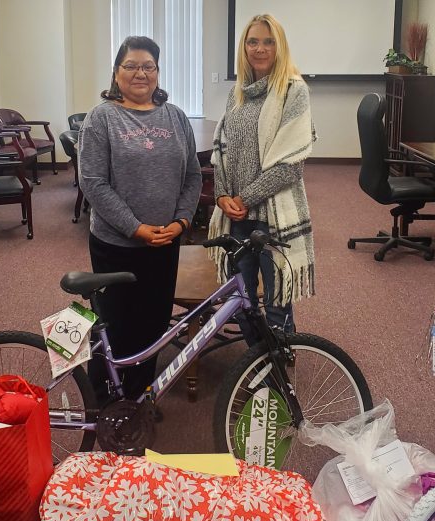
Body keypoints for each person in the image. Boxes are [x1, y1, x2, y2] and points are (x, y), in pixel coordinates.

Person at [78, 36, 202, 401]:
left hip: (165, 242)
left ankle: (137, 397)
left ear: (158, 73)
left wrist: (181, 222)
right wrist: (135, 227)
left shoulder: (176, 117)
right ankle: (103, 400)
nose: (140, 73)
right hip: (116, 245)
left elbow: (192, 175)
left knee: (153, 324)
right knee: (115, 325)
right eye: (131, 65)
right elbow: (93, 183)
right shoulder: (101, 119)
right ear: (116, 72)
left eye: (148, 66)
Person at [208, 13, 316, 344]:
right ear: (244, 47)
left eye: (268, 42)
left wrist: (244, 199)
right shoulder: (237, 93)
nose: (260, 48)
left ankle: (277, 370)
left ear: (279, 47)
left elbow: (289, 166)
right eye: (253, 41)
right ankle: (257, 358)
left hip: (273, 218)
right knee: (240, 298)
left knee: (276, 301)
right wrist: (223, 195)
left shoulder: (293, 91)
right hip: (236, 215)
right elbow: (223, 150)